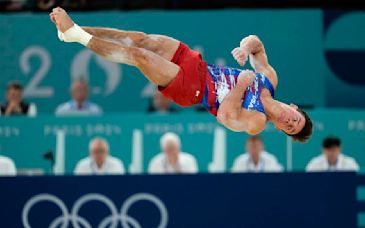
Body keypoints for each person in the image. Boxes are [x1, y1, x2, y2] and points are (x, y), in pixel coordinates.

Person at [49, 7, 312, 142]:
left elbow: (224, 117)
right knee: (139, 39)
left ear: (279, 128)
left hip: (193, 90)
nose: (289, 122)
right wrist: (245, 49)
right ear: (294, 107)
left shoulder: (256, 122)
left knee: (140, 57)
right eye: (295, 119)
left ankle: (76, 35)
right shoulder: (270, 80)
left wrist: (241, 85)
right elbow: (257, 43)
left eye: (289, 128)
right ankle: (72, 31)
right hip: (198, 64)